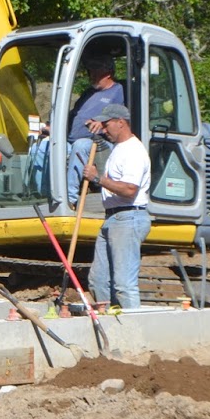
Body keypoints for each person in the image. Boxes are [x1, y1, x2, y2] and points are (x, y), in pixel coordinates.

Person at [82, 103, 150, 309]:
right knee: (98, 280)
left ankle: (133, 331)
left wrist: (97, 178)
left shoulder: (134, 151)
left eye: (106, 124)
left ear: (121, 123)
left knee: (123, 284)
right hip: (112, 217)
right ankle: (110, 322)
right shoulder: (118, 148)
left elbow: (130, 190)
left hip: (128, 218)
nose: (104, 129)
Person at [64, 53, 124, 205]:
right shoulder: (88, 93)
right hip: (71, 139)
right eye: (90, 71)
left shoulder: (118, 91)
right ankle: (44, 195)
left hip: (100, 144)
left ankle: (68, 199)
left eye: (95, 71)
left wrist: (103, 122)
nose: (92, 75)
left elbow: (121, 117)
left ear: (108, 72)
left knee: (81, 145)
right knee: (46, 146)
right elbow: (73, 114)